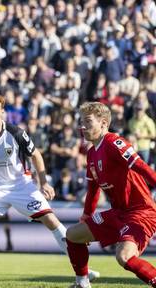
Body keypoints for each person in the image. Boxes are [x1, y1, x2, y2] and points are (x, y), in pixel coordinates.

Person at [0, 94, 79, 283]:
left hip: (20, 186)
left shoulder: (16, 133)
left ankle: (81, 268)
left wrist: (43, 182)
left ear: (2, 112)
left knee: (51, 220)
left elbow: (36, 156)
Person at [66, 102, 156, 288]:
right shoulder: (91, 153)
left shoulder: (115, 142)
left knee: (124, 256)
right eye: (82, 122)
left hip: (141, 212)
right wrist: (86, 216)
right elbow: (93, 191)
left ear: (104, 123)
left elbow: (143, 168)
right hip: (118, 213)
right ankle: (82, 283)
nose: (83, 127)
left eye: (88, 122)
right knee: (73, 234)